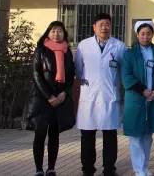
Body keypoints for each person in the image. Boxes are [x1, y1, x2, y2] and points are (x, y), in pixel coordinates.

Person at [75, 13, 126, 176]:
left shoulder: (119, 46)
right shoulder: (84, 45)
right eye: (101, 24)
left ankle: (109, 169)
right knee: (87, 135)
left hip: (110, 96)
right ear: (94, 27)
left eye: (107, 24)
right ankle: (88, 169)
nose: (105, 27)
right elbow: (79, 70)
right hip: (89, 95)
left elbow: (124, 70)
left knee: (110, 135)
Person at [27, 21, 76, 176]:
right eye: (53, 31)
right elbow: (36, 74)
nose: (56, 34)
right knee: (40, 134)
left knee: (54, 134)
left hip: (60, 98)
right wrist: (49, 96)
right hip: (42, 98)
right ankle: (38, 169)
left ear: (64, 34)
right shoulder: (41, 50)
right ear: (48, 33)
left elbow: (71, 75)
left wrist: (64, 93)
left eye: (59, 31)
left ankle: (51, 168)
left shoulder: (67, 51)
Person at [122, 21, 154, 176]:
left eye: (148, 33)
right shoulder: (129, 54)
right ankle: (138, 170)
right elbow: (126, 76)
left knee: (147, 135)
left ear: (153, 34)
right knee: (136, 136)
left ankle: (145, 167)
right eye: (142, 34)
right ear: (137, 34)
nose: (145, 36)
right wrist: (142, 90)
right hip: (136, 99)